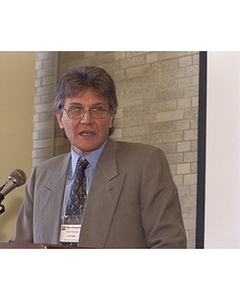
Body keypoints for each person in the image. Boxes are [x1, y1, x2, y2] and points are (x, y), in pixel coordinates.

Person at [10, 65, 187, 248]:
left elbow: (169, 246)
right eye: (76, 109)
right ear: (60, 119)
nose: (87, 120)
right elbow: (20, 249)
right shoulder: (42, 175)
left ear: (111, 117)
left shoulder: (145, 164)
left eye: (98, 110)